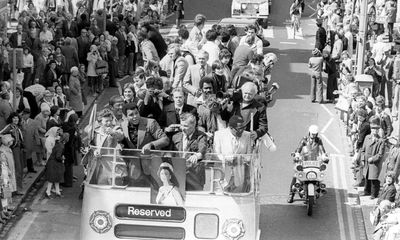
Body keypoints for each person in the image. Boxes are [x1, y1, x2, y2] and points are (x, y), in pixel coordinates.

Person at [287, 125, 328, 203]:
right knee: (295, 175)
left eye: (315, 134)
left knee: (320, 175)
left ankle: (319, 190)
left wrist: (324, 156)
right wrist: (296, 155)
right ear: (309, 132)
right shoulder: (304, 140)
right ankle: (291, 194)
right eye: (312, 134)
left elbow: (322, 150)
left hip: (315, 162)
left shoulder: (318, 140)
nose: (313, 135)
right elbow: (298, 149)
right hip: (304, 161)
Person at [214, 115, 253, 192]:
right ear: (230, 128)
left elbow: (249, 156)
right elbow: (216, 154)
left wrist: (240, 159)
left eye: (243, 128)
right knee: (221, 199)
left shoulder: (248, 135)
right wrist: (227, 159)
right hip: (223, 174)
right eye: (239, 129)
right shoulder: (219, 135)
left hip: (240, 175)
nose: (242, 131)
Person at [170, 112, 208, 190]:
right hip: (178, 175)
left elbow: (203, 147)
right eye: (181, 125)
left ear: (193, 125)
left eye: (186, 126)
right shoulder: (175, 137)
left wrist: (197, 155)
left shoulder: (201, 136)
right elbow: (170, 154)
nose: (182, 128)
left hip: (195, 177)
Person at [359, 116, 386, 199]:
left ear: (379, 130)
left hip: (374, 163)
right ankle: (366, 191)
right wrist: (363, 159)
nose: (374, 130)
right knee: (367, 177)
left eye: (376, 129)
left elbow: (380, 154)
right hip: (367, 162)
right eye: (373, 129)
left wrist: (372, 159)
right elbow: (363, 150)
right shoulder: (367, 137)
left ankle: (374, 194)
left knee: (374, 179)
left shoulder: (381, 141)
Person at [45, 133, 69, 199]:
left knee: (56, 178)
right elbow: (58, 157)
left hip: (52, 162)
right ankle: (48, 192)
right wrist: (62, 158)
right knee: (52, 178)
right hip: (54, 164)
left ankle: (57, 192)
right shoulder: (61, 146)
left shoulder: (58, 143)